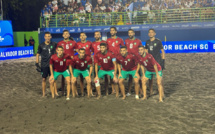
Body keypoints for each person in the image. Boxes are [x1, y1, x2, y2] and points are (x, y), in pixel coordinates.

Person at [36, 32, 57, 97]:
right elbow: (37, 54)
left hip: (52, 65)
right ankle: (43, 94)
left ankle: (55, 92)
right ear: (44, 37)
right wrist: (37, 63)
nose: (47, 37)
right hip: (44, 65)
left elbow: (59, 50)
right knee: (44, 79)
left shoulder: (54, 44)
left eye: (49, 36)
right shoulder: (41, 45)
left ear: (51, 37)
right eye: (46, 36)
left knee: (53, 79)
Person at [145, 28, 165, 96]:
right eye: (149, 32)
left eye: (152, 32)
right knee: (150, 78)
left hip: (158, 61)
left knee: (159, 77)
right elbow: (146, 51)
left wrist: (163, 61)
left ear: (154, 33)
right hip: (150, 62)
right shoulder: (147, 42)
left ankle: (162, 92)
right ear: (148, 34)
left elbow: (162, 51)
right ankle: (151, 91)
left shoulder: (158, 41)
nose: (150, 33)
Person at [57, 29, 77, 96]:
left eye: (67, 34)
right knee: (63, 77)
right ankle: (63, 91)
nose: (65, 35)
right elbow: (58, 52)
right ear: (63, 35)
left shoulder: (73, 42)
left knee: (73, 76)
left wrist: (74, 55)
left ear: (69, 35)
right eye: (64, 34)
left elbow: (77, 50)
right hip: (63, 62)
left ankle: (74, 91)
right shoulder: (60, 43)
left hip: (71, 62)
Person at [124, 29, 143, 96]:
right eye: (129, 33)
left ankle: (141, 91)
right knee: (130, 78)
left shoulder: (138, 41)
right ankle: (129, 91)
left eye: (131, 33)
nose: (130, 34)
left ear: (134, 33)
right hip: (129, 61)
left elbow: (141, 50)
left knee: (139, 76)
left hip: (137, 61)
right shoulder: (126, 41)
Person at [106, 26, 124, 93]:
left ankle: (120, 87)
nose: (112, 32)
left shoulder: (120, 40)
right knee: (112, 73)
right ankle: (113, 89)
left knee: (119, 73)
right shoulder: (108, 40)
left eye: (113, 30)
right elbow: (107, 49)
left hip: (118, 59)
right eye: (111, 30)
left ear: (116, 31)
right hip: (111, 59)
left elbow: (123, 49)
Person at [91, 31, 107, 95]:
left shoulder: (104, 42)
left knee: (106, 76)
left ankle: (106, 90)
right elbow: (92, 51)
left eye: (98, 34)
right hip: (96, 62)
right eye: (95, 35)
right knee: (96, 76)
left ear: (100, 36)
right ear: (94, 36)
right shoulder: (93, 43)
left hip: (104, 62)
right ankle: (97, 90)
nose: (96, 36)